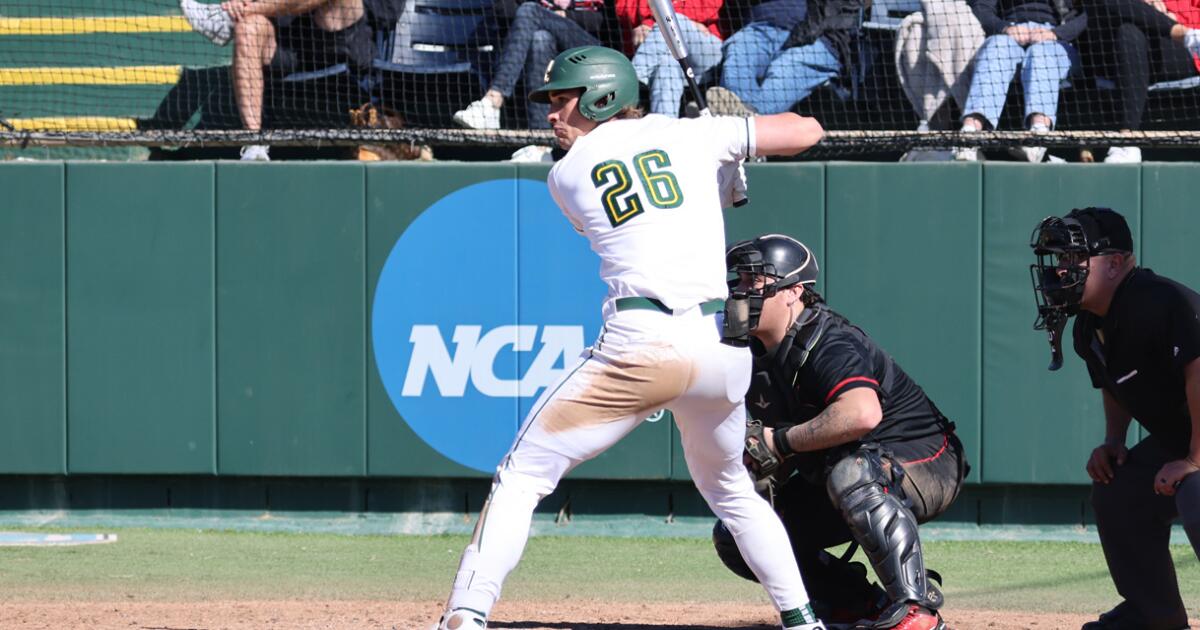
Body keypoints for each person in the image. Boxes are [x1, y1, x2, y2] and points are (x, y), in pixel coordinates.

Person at [429, 45, 826, 630]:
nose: (550, 113)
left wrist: (718, 162)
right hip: (720, 346)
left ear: (601, 95)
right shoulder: (692, 134)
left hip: (644, 343)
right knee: (732, 490)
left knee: (522, 476)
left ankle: (465, 613)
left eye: (562, 99)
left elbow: (647, 205)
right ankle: (803, 621)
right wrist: (730, 151)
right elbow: (807, 130)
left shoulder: (564, 177)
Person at [715, 234, 967, 630]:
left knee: (851, 472)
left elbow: (862, 415)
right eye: (740, 280)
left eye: (756, 280)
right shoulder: (748, 355)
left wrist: (779, 443)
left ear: (794, 291)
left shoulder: (829, 341)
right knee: (738, 530)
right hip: (845, 470)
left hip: (929, 459)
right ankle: (858, 604)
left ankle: (916, 612)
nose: (743, 291)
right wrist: (759, 467)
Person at [1029, 207, 1200, 630]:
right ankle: (1154, 616)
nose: (1062, 269)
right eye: (1060, 260)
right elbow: (1114, 383)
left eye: (1074, 259)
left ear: (1116, 263)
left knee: (1197, 492)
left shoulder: (1159, 300)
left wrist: (1196, 457)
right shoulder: (1088, 326)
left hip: (1196, 443)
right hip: (1183, 438)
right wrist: (1114, 441)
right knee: (1118, 491)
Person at [180, 0, 375, 160]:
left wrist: (248, 8)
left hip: (340, 42)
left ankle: (229, 18)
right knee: (247, 28)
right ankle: (254, 143)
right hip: (290, 40)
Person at [954, 0, 1086, 162]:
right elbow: (982, 8)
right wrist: (1004, 28)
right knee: (996, 47)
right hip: (1010, 33)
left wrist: (1056, 34)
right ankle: (969, 136)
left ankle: (1038, 137)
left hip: (1057, 39)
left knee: (1040, 54)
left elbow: (1087, 15)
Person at [451, 0, 608, 131]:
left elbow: (604, 20)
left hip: (590, 48)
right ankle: (540, 143)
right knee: (540, 40)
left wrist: (565, 16)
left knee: (530, 10)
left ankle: (493, 100)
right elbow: (503, 10)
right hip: (542, 41)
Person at [1077, 0, 1200, 162]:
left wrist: (1173, 17)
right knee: (1128, 30)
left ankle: (1125, 139)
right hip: (1111, 48)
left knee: (1129, 32)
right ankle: (1126, 142)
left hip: (1174, 49)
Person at [705, 0, 867, 116]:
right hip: (759, 28)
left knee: (785, 68)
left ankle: (735, 125)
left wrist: (813, 28)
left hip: (822, 38)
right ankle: (741, 125)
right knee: (740, 47)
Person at [893, 0, 985, 160]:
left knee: (959, 25)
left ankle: (967, 135)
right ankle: (933, 125)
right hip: (932, 12)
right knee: (917, 32)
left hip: (970, 16)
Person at [618, 0, 727, 115]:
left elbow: (709, 6)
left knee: (673, 20)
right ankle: (664, 124)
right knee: (667, 64)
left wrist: (651, 22)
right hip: (667, 52)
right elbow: (623, 8)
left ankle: (630, 81)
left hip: (706, 51)